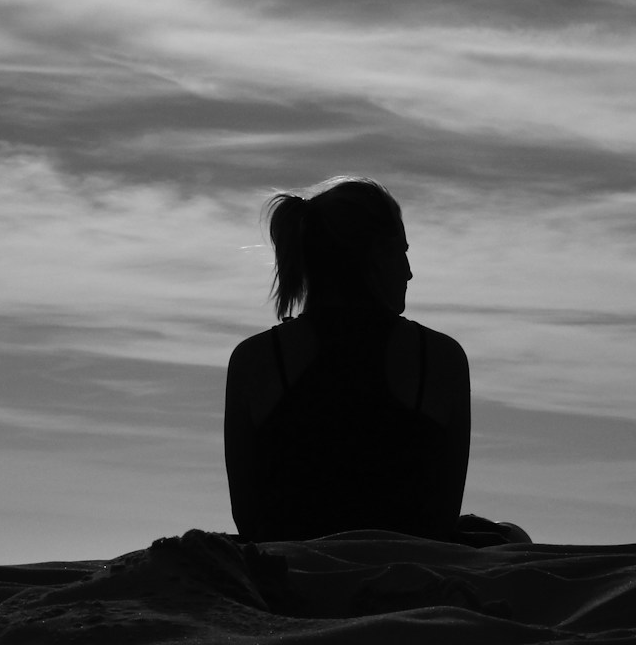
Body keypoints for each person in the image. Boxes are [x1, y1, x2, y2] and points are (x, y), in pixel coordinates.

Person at [222, 176, 528, 546]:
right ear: (371, 258)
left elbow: (249, 518)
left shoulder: (255, 359)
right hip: (409, 568)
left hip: (290, 569)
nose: (409, 271)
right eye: (401, 252)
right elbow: (441, 517)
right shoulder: (439, 357)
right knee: (513, 536)